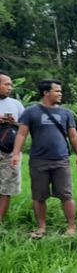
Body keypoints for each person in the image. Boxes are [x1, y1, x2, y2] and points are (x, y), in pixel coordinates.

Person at [11, 80, 77, 237]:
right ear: (46, 93)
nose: (60, 94)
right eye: (57, 91)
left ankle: (71, 228)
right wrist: (16, 153)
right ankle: (41, 228)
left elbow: (73, 135)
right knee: (39, 196)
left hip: (61, 161)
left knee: (66, 195)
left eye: (60, 91)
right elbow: (22, 134)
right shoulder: (31, 112)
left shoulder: (66, 113)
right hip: (38, 161)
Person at [0, 70, 24, 222]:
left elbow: (25, 127)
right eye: (6, 84)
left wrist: (13, 122)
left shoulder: (16, 104)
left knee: (6, 188)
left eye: (11, 84)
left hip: (9, 151)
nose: (10, 87)